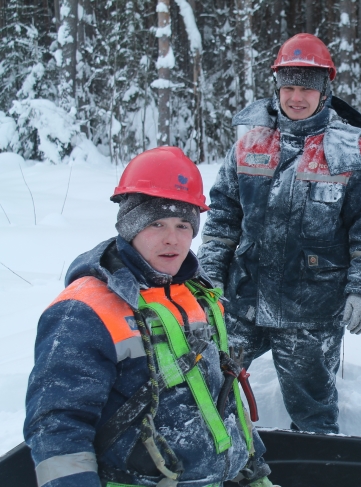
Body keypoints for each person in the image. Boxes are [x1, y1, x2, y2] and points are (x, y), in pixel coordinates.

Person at [24, 147, 275, 487]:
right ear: (130, 225)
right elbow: (57, 426)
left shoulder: (197, 296)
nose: (172, 239)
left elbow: (224, 401)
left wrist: (252, 469)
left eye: (183, 225)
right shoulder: (83, 311)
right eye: (156, 223)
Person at [197, 33, 361, 434]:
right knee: (207, 390)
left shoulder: (353, 154)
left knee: (313, 414)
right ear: (277, 87)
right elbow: (222, 219)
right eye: (289, 87)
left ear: (324, 91)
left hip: (312, 309)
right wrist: (211, 275)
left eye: (307, 88)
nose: (296, 97)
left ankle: (316, 468)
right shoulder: (249, 144)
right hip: (242, 300)